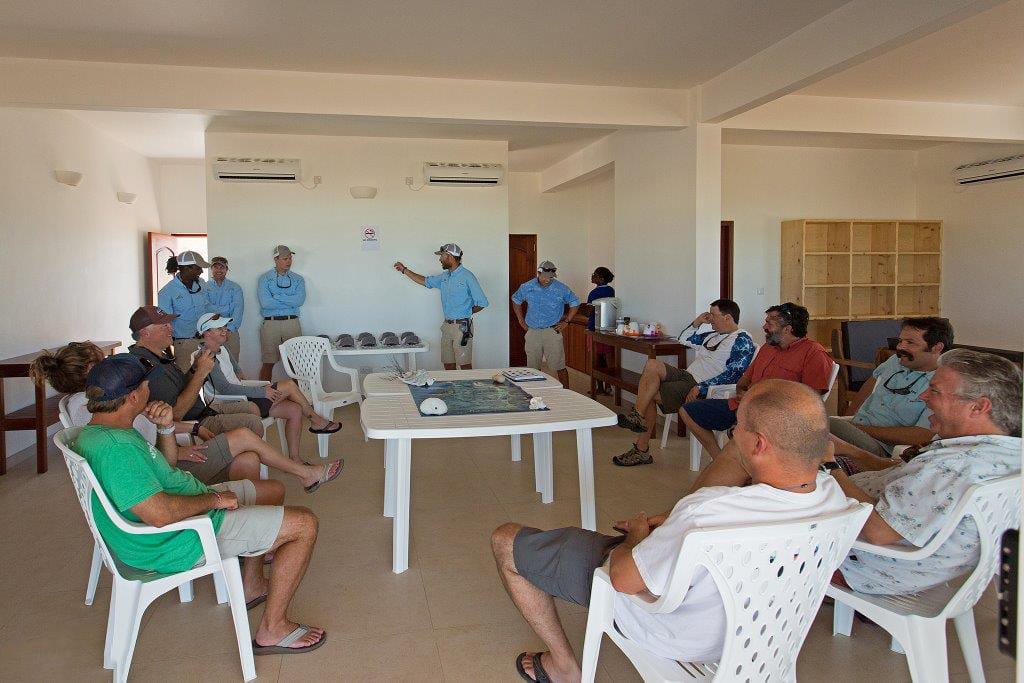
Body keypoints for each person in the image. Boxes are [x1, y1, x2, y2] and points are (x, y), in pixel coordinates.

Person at [491, 380, 851, 681]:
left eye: (735, 427)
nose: (731, 434)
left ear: (758, 445)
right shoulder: (837, 499)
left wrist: (636, 535)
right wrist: (674, 523)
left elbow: (623, 579)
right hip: (762, 635)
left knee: (506, 540)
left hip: (679, 635)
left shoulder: (709, 511)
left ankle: (562, 668)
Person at [694, 349, 1021, 597]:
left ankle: (686, 526)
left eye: (935, 391)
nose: (925, 396)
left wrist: (830, 467)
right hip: (917, 559)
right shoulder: (1001, 453)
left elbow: (879, 532)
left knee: (751, 446)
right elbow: (907, 483)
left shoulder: (954, 466)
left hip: (861, 559)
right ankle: (693, 522)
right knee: (775, 450)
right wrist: (850, 452)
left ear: (979, 406)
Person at [75, 355, 329, 655]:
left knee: (271, 490)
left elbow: (165, 469)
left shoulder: (105, 430)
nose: (150, 391)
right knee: (305, 524)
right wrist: (215, 500)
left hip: (180, 514)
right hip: (176, 538)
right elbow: (158, 514)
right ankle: (273, 629)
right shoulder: (116, 449)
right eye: (146, 386)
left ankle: (252, 585)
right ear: (132, 397)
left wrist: (167, 429)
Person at [35, 341, 343, 492]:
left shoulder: (93, 401)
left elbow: (143, 434)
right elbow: (133, 451)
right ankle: (305, 474)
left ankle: (248, 544)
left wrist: (184, 430)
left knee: (248, 458)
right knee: (246, 438)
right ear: (91, 371)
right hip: (161, 474)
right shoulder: (94, 406)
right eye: (103, 362)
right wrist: (178, 442)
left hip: (164, 457)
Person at [679, 302, 833, 460]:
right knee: (688, 410)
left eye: (769, 323)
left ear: (787, 329)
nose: (764, 327)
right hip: (745, 405)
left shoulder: (813, 353)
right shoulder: (767, 348)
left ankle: (742, 464)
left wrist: (763, 402)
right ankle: (720, 459)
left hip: (779, 415)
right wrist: (744, 395)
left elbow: (811, 399)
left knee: (743, 431)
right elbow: (743, 382)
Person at [613, 299, 756, 466]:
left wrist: (702, 387)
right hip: (687, 376)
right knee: (652, 364)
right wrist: (697, 322)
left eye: (713, 315)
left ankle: (641, 448)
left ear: (727, 318)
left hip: (700, 384)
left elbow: (735, 373)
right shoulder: (713, 336)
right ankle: (637, 416)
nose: (709, 318)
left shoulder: (741, 339)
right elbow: (683, 338)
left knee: (648, 394)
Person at [196, 312, 342, 463]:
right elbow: (224, 389)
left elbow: (238, 373)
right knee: (289, 384)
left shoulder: (223, 348)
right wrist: (261, 391)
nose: (224, 330)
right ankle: (316, 420)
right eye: (219, 328)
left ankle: (295, 459)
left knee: (295, 410)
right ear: (206, 332)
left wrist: (252, 387)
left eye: (225, 326)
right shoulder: (206, 357)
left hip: (244, 396)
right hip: (232, 403)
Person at [829, 317, 951, 466]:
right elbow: (871, 383)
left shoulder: (942, 384)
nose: (901, 347)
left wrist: (858, 429)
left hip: (880, 448)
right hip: (852, 432)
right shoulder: (896, 361)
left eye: (910, 343)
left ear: (936, 347)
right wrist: (849, 419)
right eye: (900, 341)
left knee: (813, 423)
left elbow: (923, 434)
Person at [393, 243, 489, 370]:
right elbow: (425, 281)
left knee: (464, 364)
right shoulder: (445, 277)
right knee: (448, 363)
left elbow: (482, 302)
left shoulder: (467, 276)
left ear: (450, 256)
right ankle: (452, 390)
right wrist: (405, 270)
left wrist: (465, 312)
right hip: (446, 326)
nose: (440, 259)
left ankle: (467, 390)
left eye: (442, 256)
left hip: (463, 327)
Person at [511, 261, 581, 388]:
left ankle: (566, 392)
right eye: (545, 276)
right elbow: (516, 300)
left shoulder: (561, 288)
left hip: (552, 331)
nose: (548, 280)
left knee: (559, 365)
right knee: (532, 368)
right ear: (538, 273)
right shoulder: (527, 286)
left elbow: (575, 303)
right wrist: (521, 320)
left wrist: (567, 321)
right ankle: (534, 392)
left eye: (551, 277)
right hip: (532, 331)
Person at [158, 250, 214, 374]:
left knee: (207, 378)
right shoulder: (167, 292)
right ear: (187, 268)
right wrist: (168, 353)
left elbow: (207, 308)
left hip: (205, 340)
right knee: (185, 380)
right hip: (184, 344)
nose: (201, 271)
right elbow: (164, 324)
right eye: (198, 268)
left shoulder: (202, 285)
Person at [258, 245, 306, 381]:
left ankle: (298, 396)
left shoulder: (298, 279)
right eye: (285, 258)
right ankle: (264, 398)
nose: (289, 261)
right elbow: (266, 303)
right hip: (270, 324)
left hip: (292, 323)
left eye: (290, 258)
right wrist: (289, 300)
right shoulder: (265, 278)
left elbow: (299, 300)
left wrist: (277, 296)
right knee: (268, 362)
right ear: (276, 259)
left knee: (296, 362)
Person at [207, 256, 245, 360]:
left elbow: (238, 310)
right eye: (216, 267)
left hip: (230, 331)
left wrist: (229, 329)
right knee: (211, 364)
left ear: (227, 269)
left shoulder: (235, 288)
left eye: (222, 267)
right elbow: (206, 308)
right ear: (211, 269)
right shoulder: (204, 287)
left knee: (233, 363)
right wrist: (228, 308)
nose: (219, 270)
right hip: (210, 332)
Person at [586, 267, 615, 395]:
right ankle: (609, 386)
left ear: (601, 278)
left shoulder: (593, 293)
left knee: (596, 358)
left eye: (595, 274)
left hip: (594, 328)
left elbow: (589, 312)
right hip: (609, 328)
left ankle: (599, 387)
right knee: (608, 357)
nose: (592, 276)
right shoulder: (611, 290)